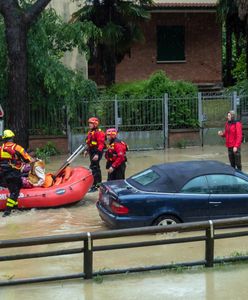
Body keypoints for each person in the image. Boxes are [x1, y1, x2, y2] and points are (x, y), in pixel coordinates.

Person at [0, 129, 32, 217]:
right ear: (12, 138)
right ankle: (7, 212)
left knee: (12, 190)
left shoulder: (1, 148)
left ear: (4, 139)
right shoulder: (17, 147)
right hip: (14, 173)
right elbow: (27, 159)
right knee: (15, 192)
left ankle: (16, 208)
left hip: (3, 174)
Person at [84, 117, 105, 192]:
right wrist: (86, 150)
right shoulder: (90, 132)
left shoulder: (99, 133)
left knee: (94, 167)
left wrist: (97, 154)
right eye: (89, 123)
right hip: (92, 151)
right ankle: (96, 184)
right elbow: (89, 143)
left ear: (95, 124)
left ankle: (96, 185)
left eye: (91, 123)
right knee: (94, 167)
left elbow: (101, 145)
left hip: (97, 152)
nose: (89, 125)